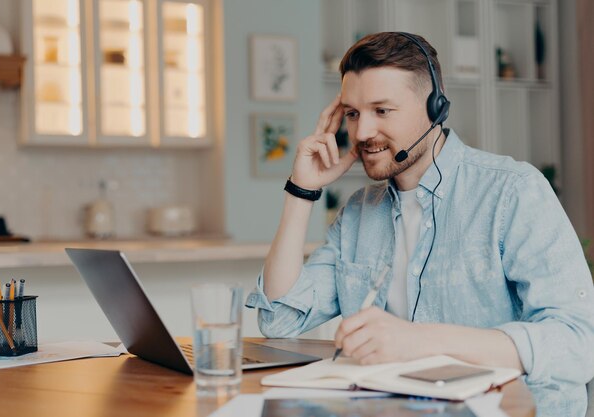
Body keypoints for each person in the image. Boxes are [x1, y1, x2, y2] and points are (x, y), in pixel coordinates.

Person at [244, 32, 594, 417]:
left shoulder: (512, 191)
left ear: (435, 107)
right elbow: (278, 319)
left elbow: (578, 342)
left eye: (382, 110)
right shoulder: (359, 213)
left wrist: (420, 342)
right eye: (353, 113)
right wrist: (300, 191)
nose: (361, 134)